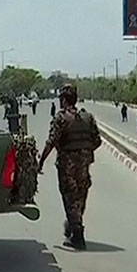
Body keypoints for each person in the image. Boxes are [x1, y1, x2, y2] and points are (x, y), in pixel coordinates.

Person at [38, 84, 101, 250]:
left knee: (70, 197)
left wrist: (41, 161)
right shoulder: (88, 117)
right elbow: (97, 141)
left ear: (64, 100)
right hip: (84, 164)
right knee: (80, 196)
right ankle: (73, 226)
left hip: (68, 165)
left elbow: (51, 142)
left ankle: (78, 236)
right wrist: (84, 152)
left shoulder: (61, 118)